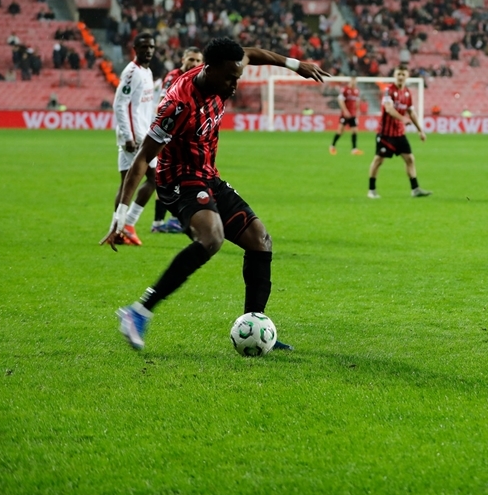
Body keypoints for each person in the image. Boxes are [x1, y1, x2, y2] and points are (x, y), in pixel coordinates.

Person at [102, 37, 328, 351]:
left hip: (207, 175)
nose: (235, 85)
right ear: (210, 69)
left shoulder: (229, 67)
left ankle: (255, 326)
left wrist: (295, 65)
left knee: (260, 240)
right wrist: (120, 217)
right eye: (230, 78)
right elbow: (142, 158)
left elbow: (252, 52)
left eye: (238, 77)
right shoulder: (178, 103)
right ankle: (138, 312)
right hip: (178, 179)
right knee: (212, 238)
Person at [112, 33, 159, 246]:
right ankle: (128, 224)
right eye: (143, 46)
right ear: (135, 48)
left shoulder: (146, 72)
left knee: (126, 183)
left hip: (139, 133)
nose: (148, 50)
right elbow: (120, 104)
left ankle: (119, 229)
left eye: (151, 47)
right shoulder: (131, 73)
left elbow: (143, 107)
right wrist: (130, 136)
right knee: (155, 179)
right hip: (136, 137)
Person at [151, 46, 204, 233]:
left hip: (183, 136)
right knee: (167, 178)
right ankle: (159, 223)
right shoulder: (174, 77)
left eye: (198, 61)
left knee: (180, 179)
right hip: (169, 135)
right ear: (183, 59)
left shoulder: (197, 79)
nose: (195, 64)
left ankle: (172, 220)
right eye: (191, 59)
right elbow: (164, 104)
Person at [368, 64, 431, 198]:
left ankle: (415, 189)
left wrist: (420, 130)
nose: (401, 77)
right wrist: (403, 118)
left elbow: (411, 112)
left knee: (410, 159)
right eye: (398, 74)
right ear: (394, 76)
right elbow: (389, 109)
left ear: (407, 76)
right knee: (379, 160)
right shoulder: (388, 91)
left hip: (399, 134)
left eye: (403, 74)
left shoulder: (407, 93)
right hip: (385, 133)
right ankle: (371, 190)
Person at [330, 75, 363, 155]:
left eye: (355, 80)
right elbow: (340, 100)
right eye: (352, 80)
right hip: (345, 114)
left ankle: (354, 149)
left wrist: (357, 111)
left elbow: (357, 102)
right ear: (350, 80)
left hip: (353, 114)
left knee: (355, 131)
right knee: (340, 131)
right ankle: (332, 146)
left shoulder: (357, 91)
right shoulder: (345, 89)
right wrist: (345, 111)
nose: (354, 82)